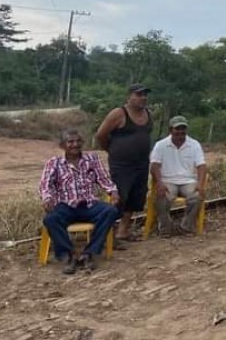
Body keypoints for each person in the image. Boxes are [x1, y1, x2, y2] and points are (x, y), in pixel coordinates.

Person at [40, 129, 120, 274]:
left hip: (89, 204)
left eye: (78, 141)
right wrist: (47, 199)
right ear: (62, 145)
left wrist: (113, 191)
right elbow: (45, 185)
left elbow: (104, 180)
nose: (75, 144)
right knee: (50, 219)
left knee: (111, 211)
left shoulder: (92, 159)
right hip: (66, 206)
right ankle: (68, 256)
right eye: (70, 141)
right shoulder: (54, 163)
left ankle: (90, 253)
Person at [95, 83, 153, 242]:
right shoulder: (118, 114)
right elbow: (101, 135)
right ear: (129, 96)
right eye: (139, 94)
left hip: (141, 164)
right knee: (119, 197)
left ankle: (123, 231)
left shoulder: (148, 113)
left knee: (136, 198)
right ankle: (108, 234)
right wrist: (112, 150)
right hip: (121, 165)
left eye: (145, 94)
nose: (143, 98)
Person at [150, 115, 207, 237]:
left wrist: (200, 184)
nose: (180, 132)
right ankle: (165, 228)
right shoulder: (161, 145)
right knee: (161, 197)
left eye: (183, 128)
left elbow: (201, 166)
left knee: (197, 196)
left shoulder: (194, 144)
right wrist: (159, 183)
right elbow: (154, 165)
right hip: (168, 180)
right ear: (170, 130)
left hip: (188, 180)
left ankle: (186, 227)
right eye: (177, 129)